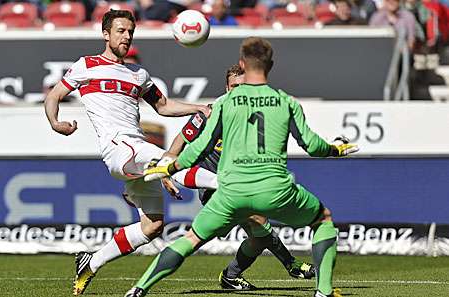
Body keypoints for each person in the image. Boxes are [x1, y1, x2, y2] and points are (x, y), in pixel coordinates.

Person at [125, 37, 359, 297]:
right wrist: (335, 148)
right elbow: (313, 146)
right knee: (322, 219)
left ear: (242, 64)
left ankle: (138, 289)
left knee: (190, 239)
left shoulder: (224, 104)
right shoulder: (287, 102)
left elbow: (199, 147)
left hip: (230, 191)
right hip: (274, 189)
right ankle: (322, 292)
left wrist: (169, 167)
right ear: (270, 64)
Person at [43, 9, 209, 296]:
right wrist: (56, 123)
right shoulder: (87, 65)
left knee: (153, 225)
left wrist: (198, 108)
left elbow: (164, 106)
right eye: (120, 31)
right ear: (106, 34)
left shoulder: (138, 74)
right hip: (120, 149)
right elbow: (54, 96)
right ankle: (228, 183)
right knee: (172, 162)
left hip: (138, 152)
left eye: (130, 31)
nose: (127, 36)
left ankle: (91, 262)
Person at [162, 64, 315, 290]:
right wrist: (167, 169)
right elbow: (179, 142)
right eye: (234, 86)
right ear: (226, 87)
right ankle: (291, 264)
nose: (238, 91)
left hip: (240, 183)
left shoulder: (254, 117)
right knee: (257, 219)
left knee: (259, 239)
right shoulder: (209, 113)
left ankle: (231, 276)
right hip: (213, 186)